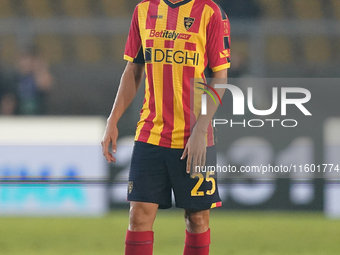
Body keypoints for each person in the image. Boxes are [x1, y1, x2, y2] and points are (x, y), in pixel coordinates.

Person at [101, 0, 230, 254]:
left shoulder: (210, 12)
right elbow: (134, 68)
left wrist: (201, 130)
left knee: (197, 219)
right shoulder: (143, 10)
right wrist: (112, 120)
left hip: (194, 137)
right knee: (138, 216)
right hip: (151, 133)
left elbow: (220, 77)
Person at [15, 45, 53, 115]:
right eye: (24, 59)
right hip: (19, 116)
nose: (27, 62)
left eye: (31, 59)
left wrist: (38, 69)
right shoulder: (14, 77)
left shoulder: (40, 75)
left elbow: (45, 85)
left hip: (39, 115)